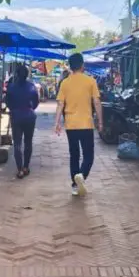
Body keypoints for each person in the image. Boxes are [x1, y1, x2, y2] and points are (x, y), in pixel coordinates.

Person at [55, 53, 103, 197]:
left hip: (71, 125)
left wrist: (57, 122)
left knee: (74, 155)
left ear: (70, 66)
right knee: (89, 155)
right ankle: (82, 175)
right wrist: (100, 121)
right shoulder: (90, 81)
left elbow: (60, 104)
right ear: (82, 65)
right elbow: (96, 102)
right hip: (86, 124)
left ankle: (75, 185)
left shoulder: (65, 83)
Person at [5, 63, 39, 178]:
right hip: (29, 116)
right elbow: (36, 102)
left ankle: (19, 169)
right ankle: (26, 167)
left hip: (16, 116)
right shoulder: (32, 86)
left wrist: (14, 109)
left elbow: (8, 102)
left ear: (17, 75)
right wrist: (29, 109)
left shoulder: (11, 87)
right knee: (28, 142)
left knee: (17, 143)